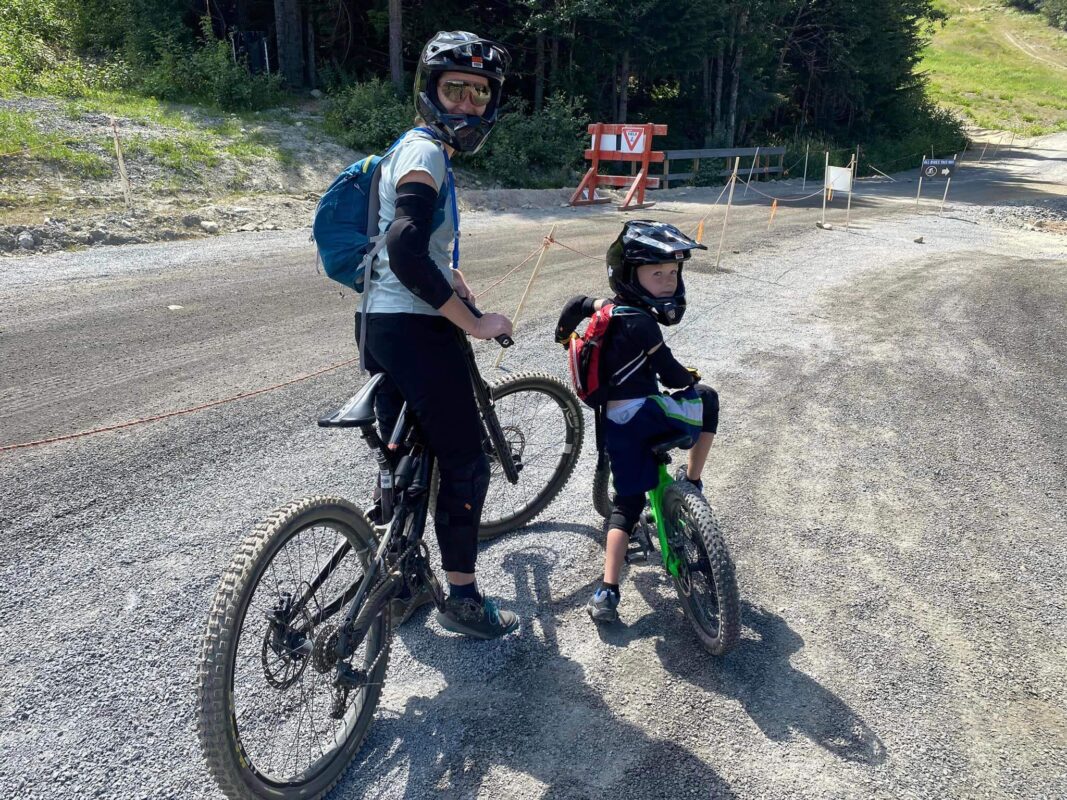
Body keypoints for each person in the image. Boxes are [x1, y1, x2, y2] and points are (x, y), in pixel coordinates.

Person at [357, 31, 518, 639]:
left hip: (379, 323)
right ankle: (463, 599)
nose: (467, 106)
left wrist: (449, 274)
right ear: (431, 92)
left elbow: (407, 239)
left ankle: (398, 580)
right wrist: (472, 321)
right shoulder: (426, 153)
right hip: (416, 327)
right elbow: (401, 244)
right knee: (466, 460)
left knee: (405, 452)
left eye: (479, 95)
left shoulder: (413, 149)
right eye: (455, 90)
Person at [554, 221, 719, 624]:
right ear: (631, 276)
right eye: (656, 273)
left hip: (614, 426)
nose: (667, 282)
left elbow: (576, 304)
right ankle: (693, 480)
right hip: (649, 416)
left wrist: (563, 338)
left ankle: (607, 590)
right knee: (708, 399)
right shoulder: (642, 323)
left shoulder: (607, 311)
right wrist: (690, 380)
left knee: (626, 505)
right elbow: (671, 373)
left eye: (673, 273)